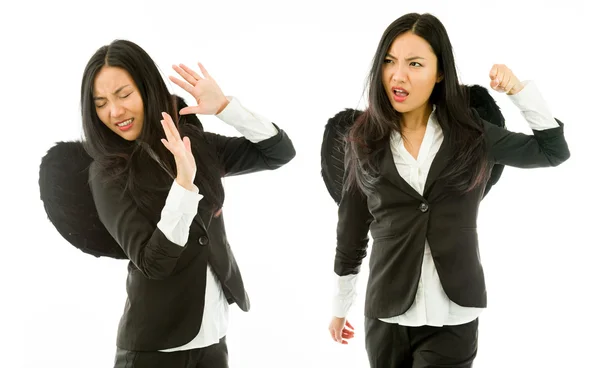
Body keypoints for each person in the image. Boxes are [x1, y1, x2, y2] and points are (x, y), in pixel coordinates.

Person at [326, 13, 570, 368]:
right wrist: (339, 307)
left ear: (440, 72)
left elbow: (553, 151)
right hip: (385, 317)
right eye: (390, 62)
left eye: (414, 63)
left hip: (453, 314)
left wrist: (518, 90)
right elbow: (351, 230)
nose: (398, 75)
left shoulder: (472, 134)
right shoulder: (362, 141)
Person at [80, 39, 295, 367]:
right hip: (154, 351)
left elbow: (279, 153)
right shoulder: (106, 173)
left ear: (148, 89)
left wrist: (225, 107)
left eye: (124, 95)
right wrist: (183, 184)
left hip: (213, 338)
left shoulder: (192, 140)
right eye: (101, 103)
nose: (114, 111)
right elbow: (153, 263)